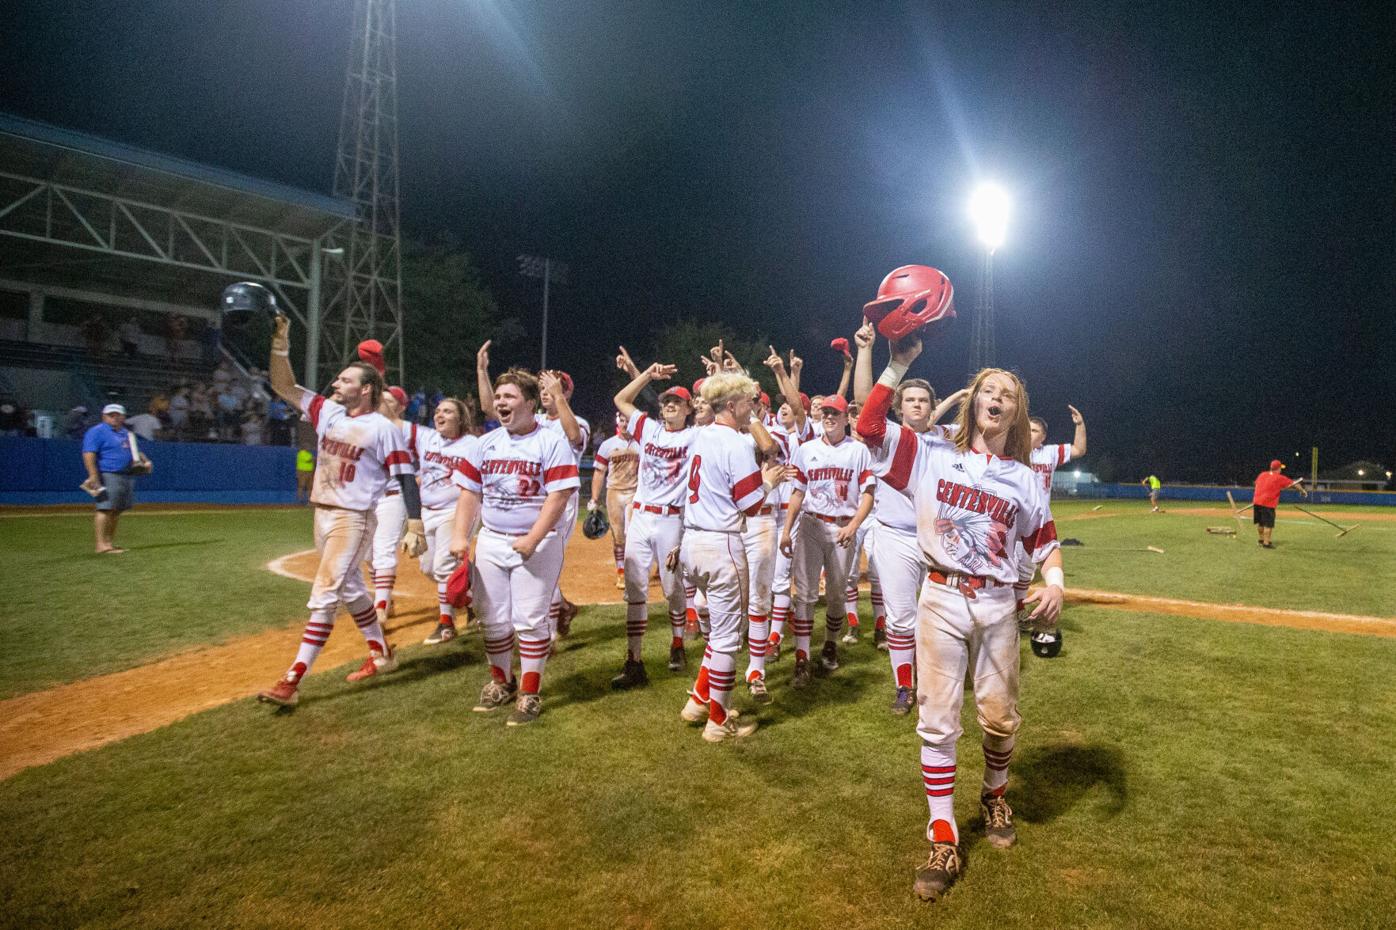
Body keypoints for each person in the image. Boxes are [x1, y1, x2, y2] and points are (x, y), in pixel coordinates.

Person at [857, 334, 1064, 903]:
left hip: (999, 604)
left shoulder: (1023, 478)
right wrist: (897, 364)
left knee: (999, 719)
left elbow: (1044, 539)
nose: (997, 398)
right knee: (938, 720)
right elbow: (870, 427)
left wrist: (1056, 582)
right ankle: (942, 832)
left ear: (1016, 413)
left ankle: (994, 793)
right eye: (989, 390)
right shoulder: (930, 453)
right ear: (974, 401)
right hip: (942, 598)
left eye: (1009, 395)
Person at [256, 316, 425, 708]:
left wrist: (414, 522)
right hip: (323, 515)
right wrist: (280, 343)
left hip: (353, 518)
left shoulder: (384, 429)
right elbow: (283, 385)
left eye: (345, 380)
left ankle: (292, 680)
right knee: (350, 589)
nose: (335, 383)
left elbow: (406, 477)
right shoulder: (328, 413)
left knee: (326, 592)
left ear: (366, 390)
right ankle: (382, 653)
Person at [449, 367, 580, 726]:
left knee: (530, 619)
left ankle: (530, 692)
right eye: (499, 397)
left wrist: (534, 537)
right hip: (492, 539)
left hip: (537, 543)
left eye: (509, 396)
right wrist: (461, 535)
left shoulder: (550, 441)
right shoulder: (486, 443)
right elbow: (470, 493)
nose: (500, 402)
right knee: (492, 618)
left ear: (530, 403)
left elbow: (559, 495)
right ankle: (500, 682)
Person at [677, 372, 786, 742]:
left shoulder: (698, 434)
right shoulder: (736, 443)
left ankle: (697, 701)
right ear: (730, 405)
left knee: (718, 634)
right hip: (721, 543)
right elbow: (752, 504)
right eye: (747, 402)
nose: (751, 407)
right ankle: (718, 722)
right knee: (726, 639)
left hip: (693, 539)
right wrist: (769, 481)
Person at [609, 362, 699, 687]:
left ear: (689, 409)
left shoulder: (695, 436)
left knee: (673, 587)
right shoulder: (649, 428)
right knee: (635, 590)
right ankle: (634, 660)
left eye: (677, 401)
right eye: (665, 401)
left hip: (672, 518)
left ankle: (677, 643)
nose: (670, 405)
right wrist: (646, 374)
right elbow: (621, 400)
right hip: (642, 516)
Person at [778, 393, 875, 688]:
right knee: (805, 594)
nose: (830, 417)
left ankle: (830, 642)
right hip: (811, 524)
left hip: (843, 528)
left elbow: (868, 493)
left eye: (837, 413)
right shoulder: (806, 450)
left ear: (847, 418)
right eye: (827, 413)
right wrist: (786, 529)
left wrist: (855, 525)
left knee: (836, 594)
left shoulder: (858, 451)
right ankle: (802, 658)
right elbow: (797, 492)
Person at [80, 403, 152, 554]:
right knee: (105, 509)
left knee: (117, 510)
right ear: (104, 416)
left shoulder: (126, 433)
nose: (115, 417)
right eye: (111, 415)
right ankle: (101, 545)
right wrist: (93, 474)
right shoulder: (97, 431)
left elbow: (135, 452)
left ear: (123, 417)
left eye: (118, 415)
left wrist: (145, 461)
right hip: (107, 474)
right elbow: (89, 453)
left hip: (126, 475)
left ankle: (108, 543)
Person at [589, 412, 641, 591]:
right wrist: (594, 499)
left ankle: (636, 571)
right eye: (622, 420)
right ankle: (621, 572)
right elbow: (599, 472)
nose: (625, 424)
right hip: (615, 493)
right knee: (618, 536)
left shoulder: (641, 443)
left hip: (636, 493)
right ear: (617, 421)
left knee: (634, 535)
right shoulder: (608, 444)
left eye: (628, 420)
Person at [1252, 459, 1307, 548]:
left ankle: (1261, 540)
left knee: (1260, 523)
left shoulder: (1262, 474)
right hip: (1268, 503)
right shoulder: (1279, 477)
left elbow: (1257, 484)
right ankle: (1266, 543)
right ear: (1278, 469)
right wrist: (1303, 491)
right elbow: (1295, 484)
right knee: (1268, 524)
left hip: (1257, 501)